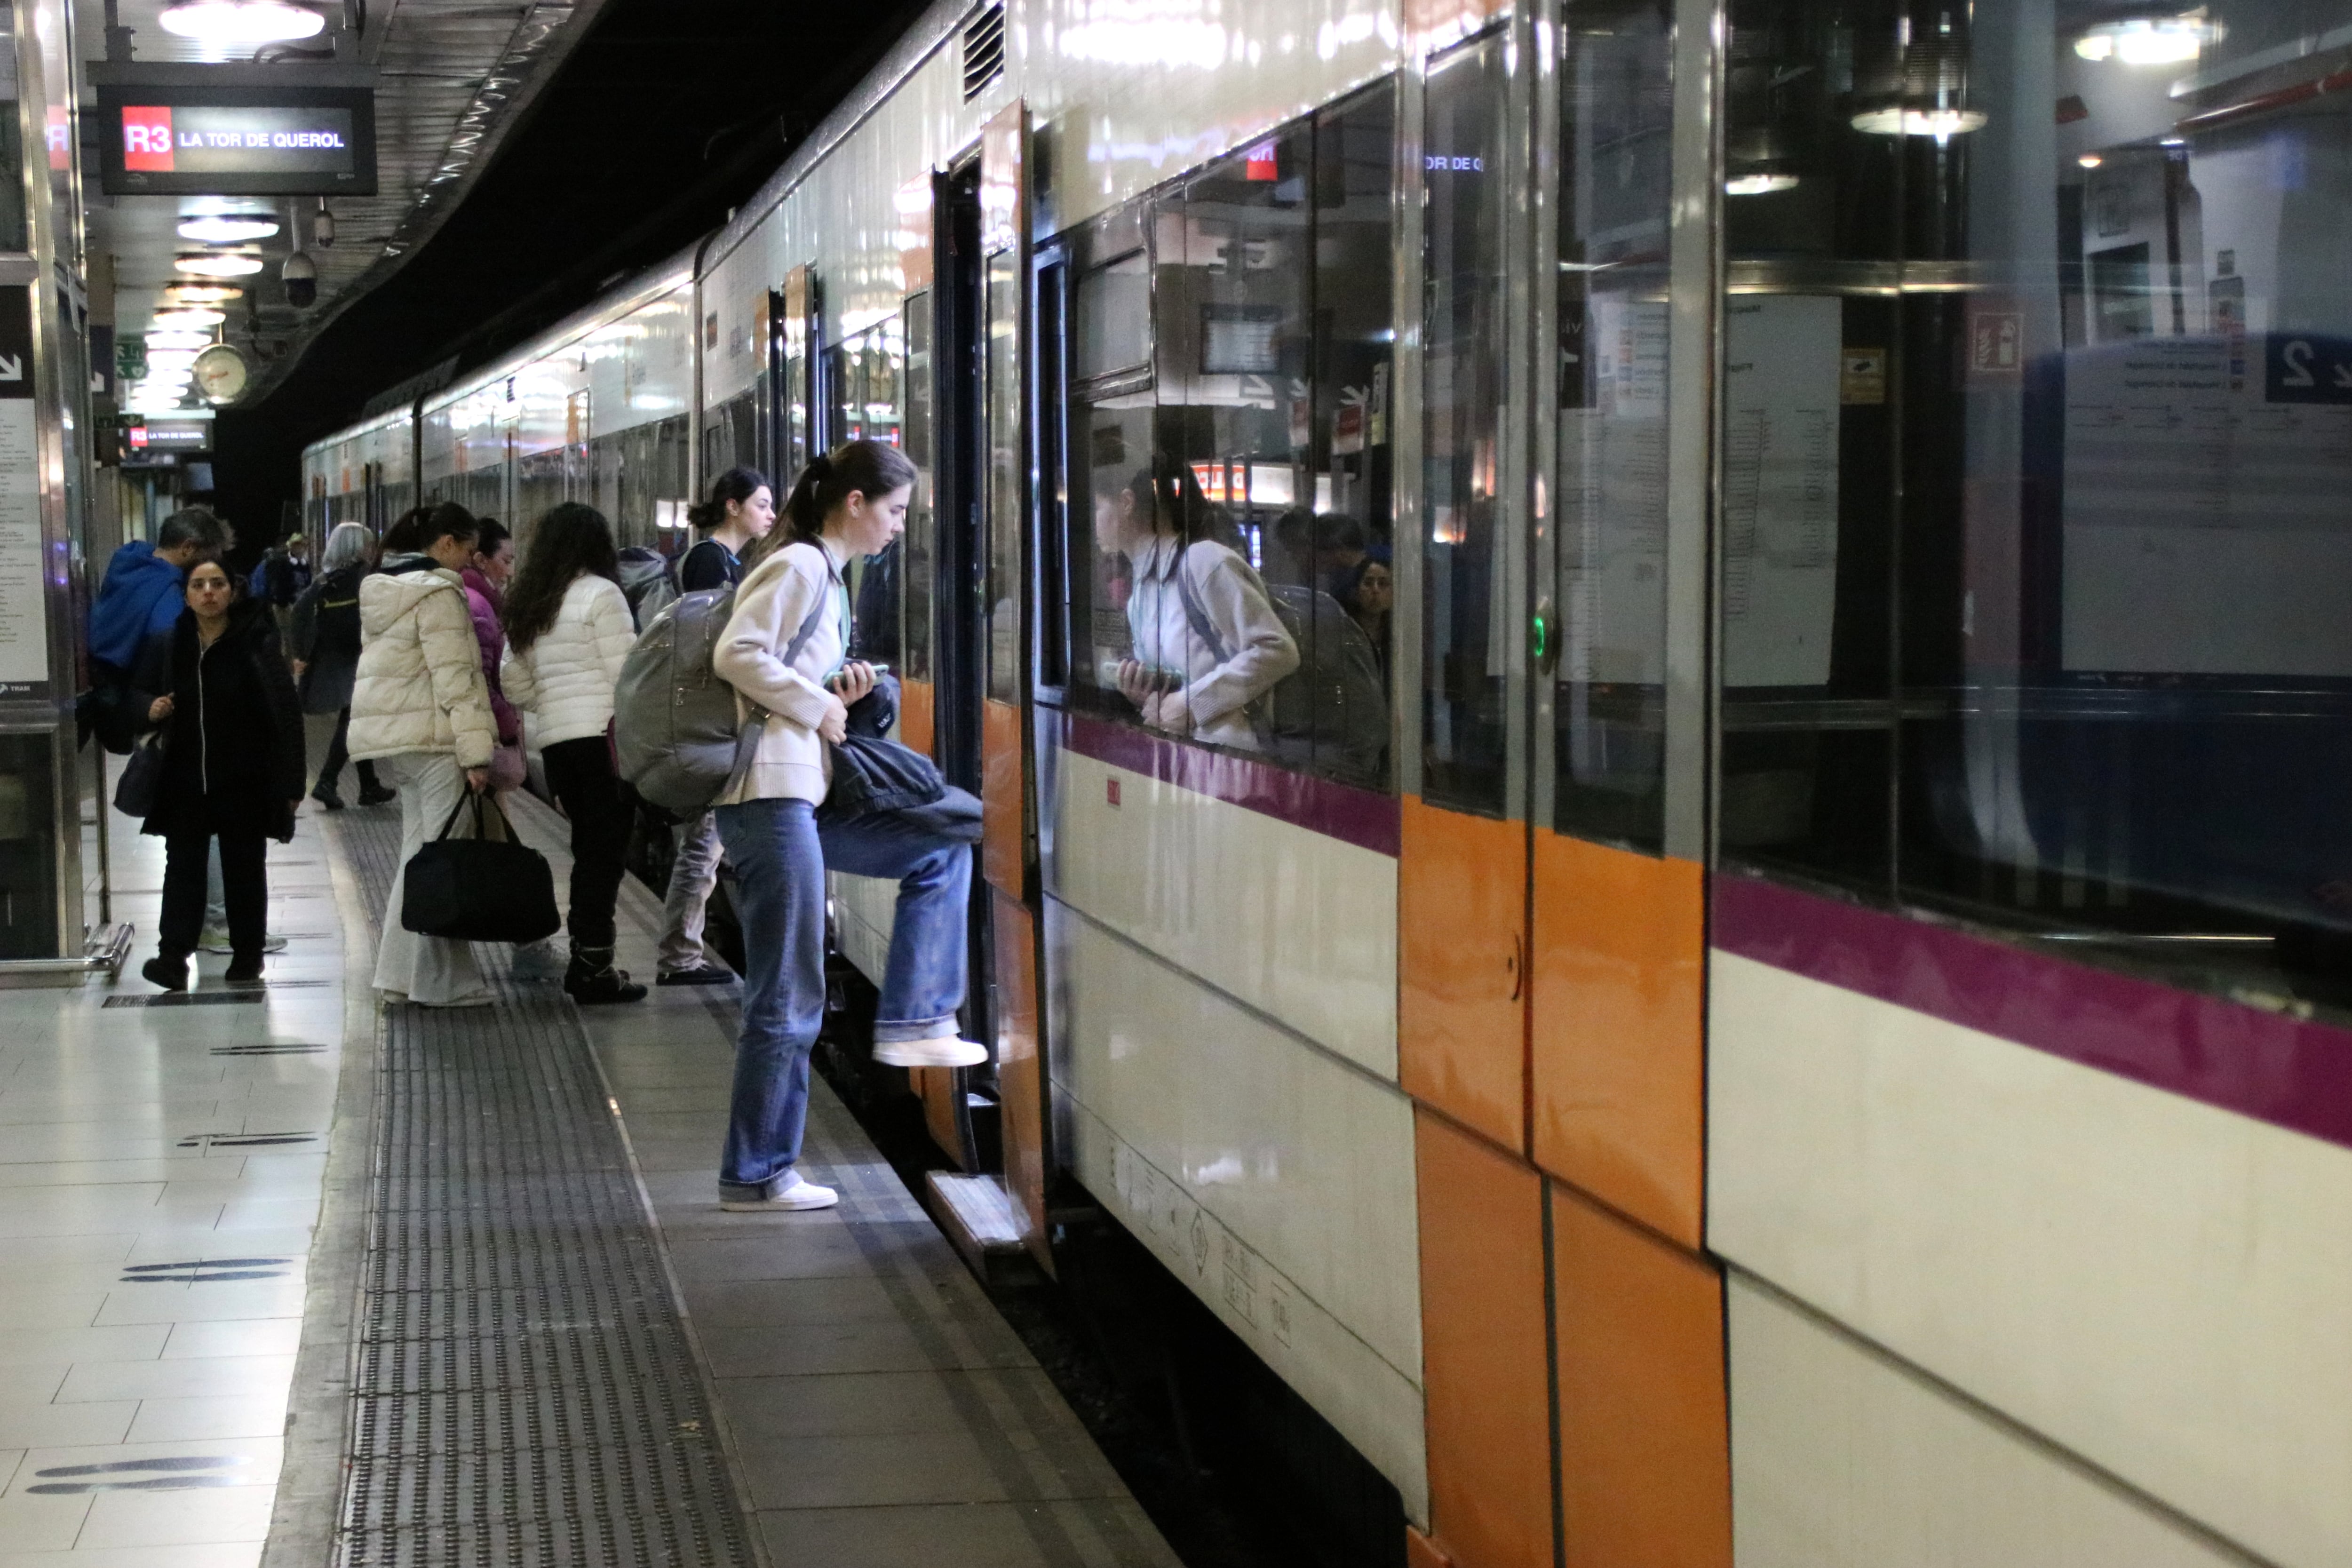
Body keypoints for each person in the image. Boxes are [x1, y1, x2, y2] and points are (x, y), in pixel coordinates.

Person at [711, 440, 986, 1214]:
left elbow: (786, 670)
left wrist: (844, 690)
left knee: (941, 842)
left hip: (800, 791)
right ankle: (757, 1171)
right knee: (788, 989)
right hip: (767, 794)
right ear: (857, 505)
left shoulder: (827, 579)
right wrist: (819, 704)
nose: (901, 527)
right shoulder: (799, 565)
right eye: (895, 512)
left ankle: (916, 1017)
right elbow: (740, 654)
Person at [349, 505, 499, 1007]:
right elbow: (456, 678)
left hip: (399, 742)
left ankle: (397, 976)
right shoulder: (438, 594)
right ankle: (442, 984)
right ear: (447, 544)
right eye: (469, 550)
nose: (470, 562)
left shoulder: (383, 588)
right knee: (440, 865)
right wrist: (477, 752)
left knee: (420, 859)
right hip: (436, 742)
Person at [130, 560, 304, 991]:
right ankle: (173, 957)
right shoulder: (171, 644)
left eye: (218, 583)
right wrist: (149, 708)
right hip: (185, 778)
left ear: (232, 590)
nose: (208, 591)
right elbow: (136, 694)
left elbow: (285, 712)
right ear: (186, 594)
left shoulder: (256, 642)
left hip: (244, 779)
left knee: (244, 867)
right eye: (198, 584)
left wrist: (292, 783)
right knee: (183, 868)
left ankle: (248, 956)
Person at [499, 502, 647, 1004]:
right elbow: (629, 676)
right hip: (604, 742)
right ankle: (591, 968)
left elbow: (513, 683)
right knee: (603, 858)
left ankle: (589, 960)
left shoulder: (530, 602)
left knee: (588, 852)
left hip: (559, 746)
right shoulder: (602, 595)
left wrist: (554, 699)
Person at [657, 466, 774, 987]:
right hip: (710, 718)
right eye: (762, 504)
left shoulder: (722, 559)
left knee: (706, 843)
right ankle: (679, 956)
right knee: (703, 843)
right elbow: (712, 643)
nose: (770, 515)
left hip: (713, 717)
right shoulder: (710, 560)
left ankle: (684, 950)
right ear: (733, 506)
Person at [1099, 458, 1299, 750]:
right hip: (1183, 757)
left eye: (1096, 507)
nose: (1089, 521)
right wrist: (1148, 695)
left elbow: (1278, 650)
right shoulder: (1140, 595)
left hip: (1233, 758)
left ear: (1127, 503)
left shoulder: (1203, 562)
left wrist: (1192, 704)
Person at [84, 507, 225, 753]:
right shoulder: (168, 602)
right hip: (130, 701)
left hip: (97, 680)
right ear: (188, 548)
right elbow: (173, 662)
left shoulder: (129, 561)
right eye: (207, 557)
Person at [290, 522, 393, 809]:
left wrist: (301, 652)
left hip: (332, 658)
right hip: (359, 656)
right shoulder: (367, 577)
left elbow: (299, 613)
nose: (373, 550)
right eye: (369, 544)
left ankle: (369, 785)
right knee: (353, 719)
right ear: (360, 548)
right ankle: (327, 781)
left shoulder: (325, 580)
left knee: (354, 716)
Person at [1338, 550, 1394, 687]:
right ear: (1356, 591)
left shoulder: (1396, 637)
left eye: (1383, 584)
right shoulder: (1344, 633)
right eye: (1368, 583)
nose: (1375, 590)